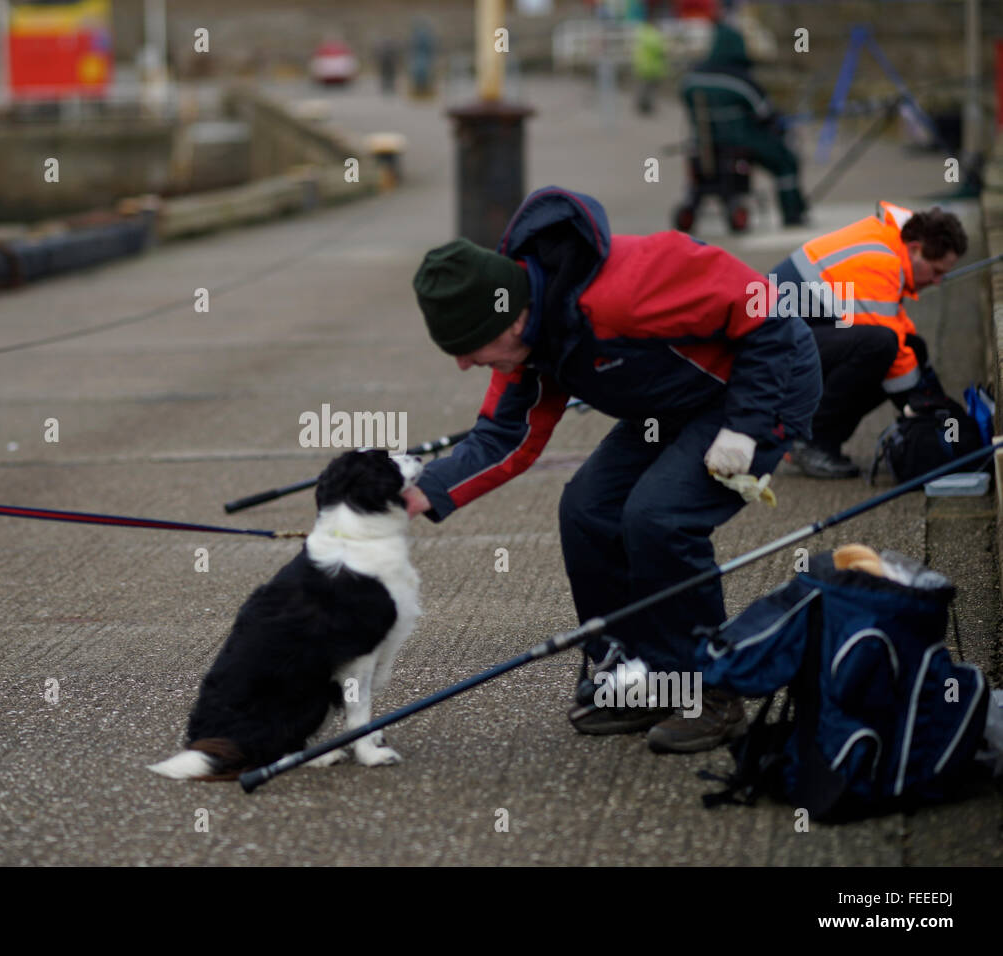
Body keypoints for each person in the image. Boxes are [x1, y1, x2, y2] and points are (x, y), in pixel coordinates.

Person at [405, 186, 822, 753]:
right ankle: (635, 670)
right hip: (671, 408)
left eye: (470, 346)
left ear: (510, 314)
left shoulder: (630, 286)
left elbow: (765, 307)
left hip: (762, 387)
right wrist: (423, 491)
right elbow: (507, 434)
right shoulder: (530, 340)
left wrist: (746, 427)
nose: (463, 363)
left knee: (659, 517)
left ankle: (709, 688)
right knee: (586, 509)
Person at [771, 203, 967, 478]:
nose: (937, 282)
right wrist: (922, 410)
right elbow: (891, 347)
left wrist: (929, 398)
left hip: (793, 334)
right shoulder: (882, 262)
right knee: (879, 347)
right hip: (769, 346)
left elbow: (902, 336)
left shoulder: (889, 244)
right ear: (915, 249)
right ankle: (808, 440)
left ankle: (817, 438)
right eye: (935, 271)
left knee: (901, 347)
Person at [679, 19, 806, 225]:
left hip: (705, 143)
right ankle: (792, 212)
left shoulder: (692, 80)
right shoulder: (741, 81)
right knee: (786, 161)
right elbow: (765, 113)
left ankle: (693, 207)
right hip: (743, 142)